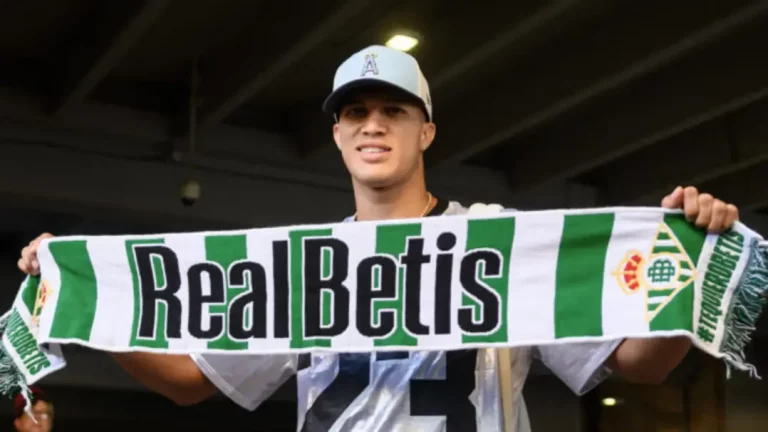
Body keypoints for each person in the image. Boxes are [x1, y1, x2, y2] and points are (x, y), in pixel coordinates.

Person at [17, 45, 740, 431]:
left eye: (393, 110)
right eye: (355, 111)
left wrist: (688, 268)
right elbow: (186, 384)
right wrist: (84, 305)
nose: (372, 124)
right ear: (335, 135)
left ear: (424, 129)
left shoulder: (497, 238)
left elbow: (642, 365)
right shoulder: (301, 264)